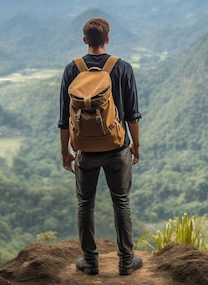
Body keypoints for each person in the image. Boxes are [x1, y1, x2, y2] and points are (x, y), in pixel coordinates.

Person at [58, 17, 142, 276]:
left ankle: (90, 262)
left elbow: (64, 119)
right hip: (117, 148)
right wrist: (135, 145)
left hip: (85, 151)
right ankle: (126, 261)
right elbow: (132, 114)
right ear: (107, 39)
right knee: (121, 202)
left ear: (85, 40)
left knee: (85, 204)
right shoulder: (122, 68)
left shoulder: (73, 69)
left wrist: (66, 152)